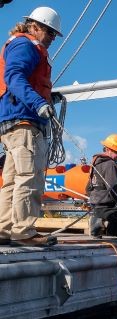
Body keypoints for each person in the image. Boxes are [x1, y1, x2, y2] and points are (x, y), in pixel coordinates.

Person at [0, 7, 62, 247]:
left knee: (13, 180)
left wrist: (46, 98)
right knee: (29, 176)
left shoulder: (19, 44)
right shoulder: (26, 46)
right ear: (35, 27)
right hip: (24, 122)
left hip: (12, 122)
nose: (52, 39)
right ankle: (24, 231)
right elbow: (14, 77)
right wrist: (38, 102)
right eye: (50, 32)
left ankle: (5, 229)